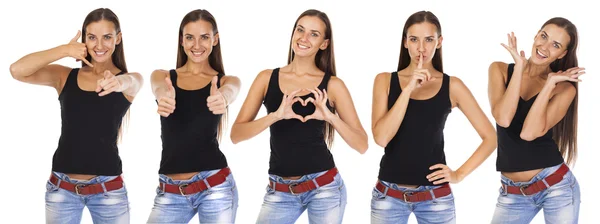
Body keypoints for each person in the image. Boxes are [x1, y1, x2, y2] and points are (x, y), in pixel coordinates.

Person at [230, 9, 368, 224]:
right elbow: (236, 135)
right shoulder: (267, 78)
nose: (304, 38)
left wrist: (330, 117)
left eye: (314, 34)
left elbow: (362, 145)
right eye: (300, 30)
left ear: (324, 43)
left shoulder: (333, 85)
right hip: (279, 190)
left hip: (325, 188)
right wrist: (276, 115)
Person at [9, 8, 143, 224]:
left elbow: (135, 82)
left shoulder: (127, 80)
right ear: (84, 40)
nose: (99, 45)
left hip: (108, 192)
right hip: (62, 190)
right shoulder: (65, 76)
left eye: (107, 37)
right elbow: (17, 70)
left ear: (118, 39)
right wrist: (64, 50)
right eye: (92, 37)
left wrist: (119, 83)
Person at [370, 11, 497, 224]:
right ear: (405, 43)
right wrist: (409, 88)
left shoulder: (452, 86)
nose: (421, 48)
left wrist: (458, 174)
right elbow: (381, 138)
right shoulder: (384, 81)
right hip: (388, 197)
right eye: (414, 39)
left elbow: (491, 137)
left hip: (435, 199)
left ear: (439, 42)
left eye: (428, 39)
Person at [145, 9, 241, 224]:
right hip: (170, 191)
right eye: (190, 37)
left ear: (215, 39)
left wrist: (224, 98)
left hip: (215, 187)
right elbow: (158, 86)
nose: (197, 45)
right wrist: (162, 97)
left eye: (204, 37)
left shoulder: (225, 81)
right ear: (182, 40)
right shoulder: (163, 76)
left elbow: (233, 88)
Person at [488, 17, 583, 224]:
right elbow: (503, 118)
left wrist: (549, 84)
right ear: (536, 35)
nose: (544, 47)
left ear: (562, 54)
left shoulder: (564, 89)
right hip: (512, 192)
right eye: (544, 37)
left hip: (556, 187)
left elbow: (528, 133)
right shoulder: (500, 70)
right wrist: (520, 68)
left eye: (555, 45)